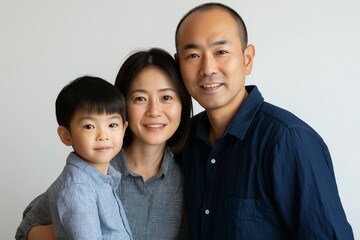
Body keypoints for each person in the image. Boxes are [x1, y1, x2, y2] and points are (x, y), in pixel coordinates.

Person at [174, 2, 354, 239]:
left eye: (221, 52)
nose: (207, 68)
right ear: (178, 65)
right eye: (193, 55)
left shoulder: (289, 141)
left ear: (247, 59)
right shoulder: (184, 140)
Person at [15, 48, 192, 240]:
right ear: (121, 106)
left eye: (166, 97)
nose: (154, 111)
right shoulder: (94, 168)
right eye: (140, 98)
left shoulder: (187, 177)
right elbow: (26, 229)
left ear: (182, 104)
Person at [33, 76, 132, 239]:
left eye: (112, 124)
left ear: (123, 129)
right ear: (66, 135)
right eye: (89, 126)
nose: (103, 135)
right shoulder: (78, 188)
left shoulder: (104, 177)